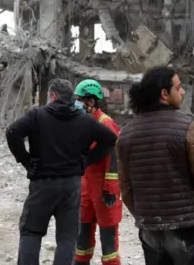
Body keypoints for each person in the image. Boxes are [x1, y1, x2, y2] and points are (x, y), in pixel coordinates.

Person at [116, 66, 194, 265]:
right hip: (188, 229)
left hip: (150, 231)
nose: (183, 92)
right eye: (178, 87)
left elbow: (126, 188)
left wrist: (145, 217)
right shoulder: (187, 127)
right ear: (164, 94)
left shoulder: (126, 134)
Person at [6, 78, 118, 265]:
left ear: (53, 96)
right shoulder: (84, 119)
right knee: (67, 237)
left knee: (31, 232)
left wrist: (26, 161)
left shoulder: (37, 115)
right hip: (71, 185)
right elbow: (110, 139)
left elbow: (12, 132)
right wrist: (87, 159)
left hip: (42, 184)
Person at [73, 79, 122, 265]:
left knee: (108, 233)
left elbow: (114, 157)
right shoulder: (82, 122)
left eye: (80, 100)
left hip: (102, 187)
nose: (76, 103)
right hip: (85, 185)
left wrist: (110, 187)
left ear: (91, 101)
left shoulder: (106, 123)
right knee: (82, 231)